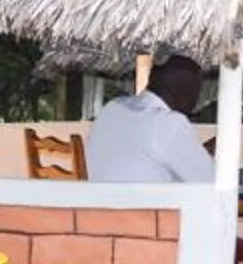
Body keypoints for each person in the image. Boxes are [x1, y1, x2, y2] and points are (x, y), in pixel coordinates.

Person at [87, 55, 213, 184]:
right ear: (186, 97)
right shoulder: (170, 124)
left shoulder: (112, 108)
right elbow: (212, 181)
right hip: (146, 204)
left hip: (98, 202)